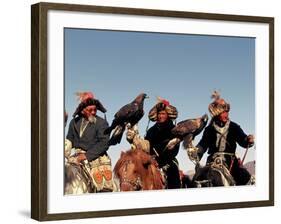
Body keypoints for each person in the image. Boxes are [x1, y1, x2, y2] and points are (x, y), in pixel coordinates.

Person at [192, 91, 255, 185]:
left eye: (227, 112)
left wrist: (248, 140)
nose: (226, 114)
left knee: (247, 181)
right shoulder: (209, 129)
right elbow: (203, 144)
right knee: (197, 181)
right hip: (212, 162)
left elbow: (243, 140)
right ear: (217, 114)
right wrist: (196, 152)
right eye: (223, 112)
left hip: (231, 163)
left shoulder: (234, 127)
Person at [65, 92, 114, 192]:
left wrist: (86, 156)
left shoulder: (101, 123)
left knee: (103, 189)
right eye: (90, 110)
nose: (93, 112)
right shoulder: (73, 122)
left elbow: (104, 143)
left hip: (95, 157)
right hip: (76, 156)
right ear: (83, 110)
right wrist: (66, 151)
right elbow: (69, 139)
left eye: (95, 110)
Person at [145, 97, 181, 189]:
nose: (160, 116)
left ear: (168, 115)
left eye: (163, 113)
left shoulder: (174, 130)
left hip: (168, 160)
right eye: (159, 113)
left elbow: (174, 150)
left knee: (173, 170)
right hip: (151, 160)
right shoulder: (151, 131)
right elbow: (146, 147)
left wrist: (160, 161)